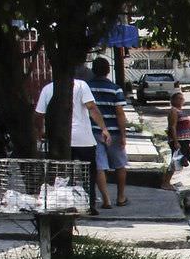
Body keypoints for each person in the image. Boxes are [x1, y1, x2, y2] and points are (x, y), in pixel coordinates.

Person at [35, 69, 112, 206]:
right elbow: (91, 107)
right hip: (84, 139)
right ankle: (90, 204)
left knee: (62, 174)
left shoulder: (47, 89)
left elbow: (39, 114)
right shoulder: (81, 85)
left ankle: (63, 203)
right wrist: (104, 129)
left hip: (60, 140)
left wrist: (40, 133)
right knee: (88, 174)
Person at [87, 58, 129, 209]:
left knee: (100, 166)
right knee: (120, 164)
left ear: (93, 70)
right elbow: (120, 114)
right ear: (108, 71)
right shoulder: (115, 89)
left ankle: (106, 200)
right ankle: (121, 197)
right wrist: (124, 135)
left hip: (93, 131)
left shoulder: (87, 88)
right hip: (114, 132)